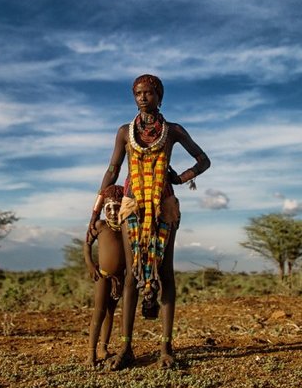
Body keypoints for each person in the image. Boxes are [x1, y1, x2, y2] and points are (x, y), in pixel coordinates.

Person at [87, 74, 210, 369]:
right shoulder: (124, 133)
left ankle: (166, 348)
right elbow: (113, 169)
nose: (143, 98)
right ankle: (126, 348)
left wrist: (180, 178)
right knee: (130, 274)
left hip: (163, 205)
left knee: (165, 273)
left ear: (160, 96)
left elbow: (203, 160)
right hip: (132, 204)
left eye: (149, 93)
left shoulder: (173, 131)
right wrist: (95, 210)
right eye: (138, 93)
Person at [83, 185, 126, 367]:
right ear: (103, 209)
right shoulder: (100, 226)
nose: (113, 212)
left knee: (110, 313)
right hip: (102, 275)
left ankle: (103, 348)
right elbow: (87, 244)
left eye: (117, 207)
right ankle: (91, 353)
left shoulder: (125, 228)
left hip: (119, 279)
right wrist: (90, 264)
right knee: (99, 312)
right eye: (108, 208)